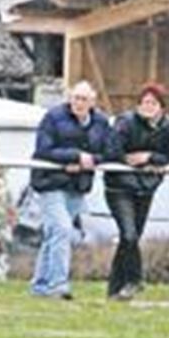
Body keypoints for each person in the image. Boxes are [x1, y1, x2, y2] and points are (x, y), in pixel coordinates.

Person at [28, 81, 110, 300]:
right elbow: (43, 149)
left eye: (84, 99)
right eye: (75, 98)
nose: (79, 103)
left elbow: (110, 151)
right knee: (63, 229)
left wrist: (90, 160)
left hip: (77, 185)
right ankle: (58, 285)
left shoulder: (101, 122)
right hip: (50, 182)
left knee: (54, 235)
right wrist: (73, 157)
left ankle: (40, 285)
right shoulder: (53, 117)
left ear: (92, 101)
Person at [103, 83, 169, 300]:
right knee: (129, 234)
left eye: (153, 103)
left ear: (161, 107)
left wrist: (148, 158)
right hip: (120, 188)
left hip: (145, 189)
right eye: (145, 102)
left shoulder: (167, 127)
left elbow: (167, 156)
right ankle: (135, 280)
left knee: (131, 240)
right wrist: (134, 163)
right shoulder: (125, 122)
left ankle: (115, 290)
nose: (148, 106)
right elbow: (112, 151)